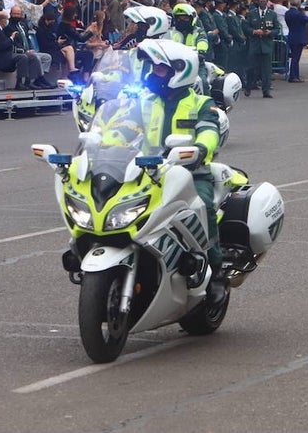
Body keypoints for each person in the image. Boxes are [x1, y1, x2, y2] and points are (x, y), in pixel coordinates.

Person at [98, 38, 236, 306]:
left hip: (189, 173)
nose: (152, 74)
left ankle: (217, 272)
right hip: (146, 172)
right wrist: (105, 142)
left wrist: (199, 150)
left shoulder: (201, 103)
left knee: (204, 206)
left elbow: (210, 133)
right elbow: (125, 127)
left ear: (179, 71)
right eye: (152, 68)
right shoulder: (144, 102)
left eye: (159, 69)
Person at [0, 10, 44, 90]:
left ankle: (29, 81)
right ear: (2, 20)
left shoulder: (1, 29)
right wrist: (11, 38)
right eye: (6, 19)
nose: (7, 21)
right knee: (22, 57)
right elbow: (1, 46)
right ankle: (19, 83)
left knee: (32, 57)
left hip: (7, 54)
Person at [245, 0, 279, 98]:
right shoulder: (252, 13)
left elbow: (277, 29)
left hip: (266, 45)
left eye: (264, 1)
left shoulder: (272, 14)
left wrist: (270, 32)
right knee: (251, 67)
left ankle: (266, 91)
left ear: (267, 1)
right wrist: (254, 32)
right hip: (255, 44)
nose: (263, 2)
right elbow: (245, 27)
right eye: (261, 1)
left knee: (266, 70)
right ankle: (249, 86)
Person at [284, 0, 308, 83]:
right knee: (296, 58)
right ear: (298, 4)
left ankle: (295, 75)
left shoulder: (287, 13)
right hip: (299, 37)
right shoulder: (298, 14)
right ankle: (293, 76)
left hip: (291, 35)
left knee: (294, 57)